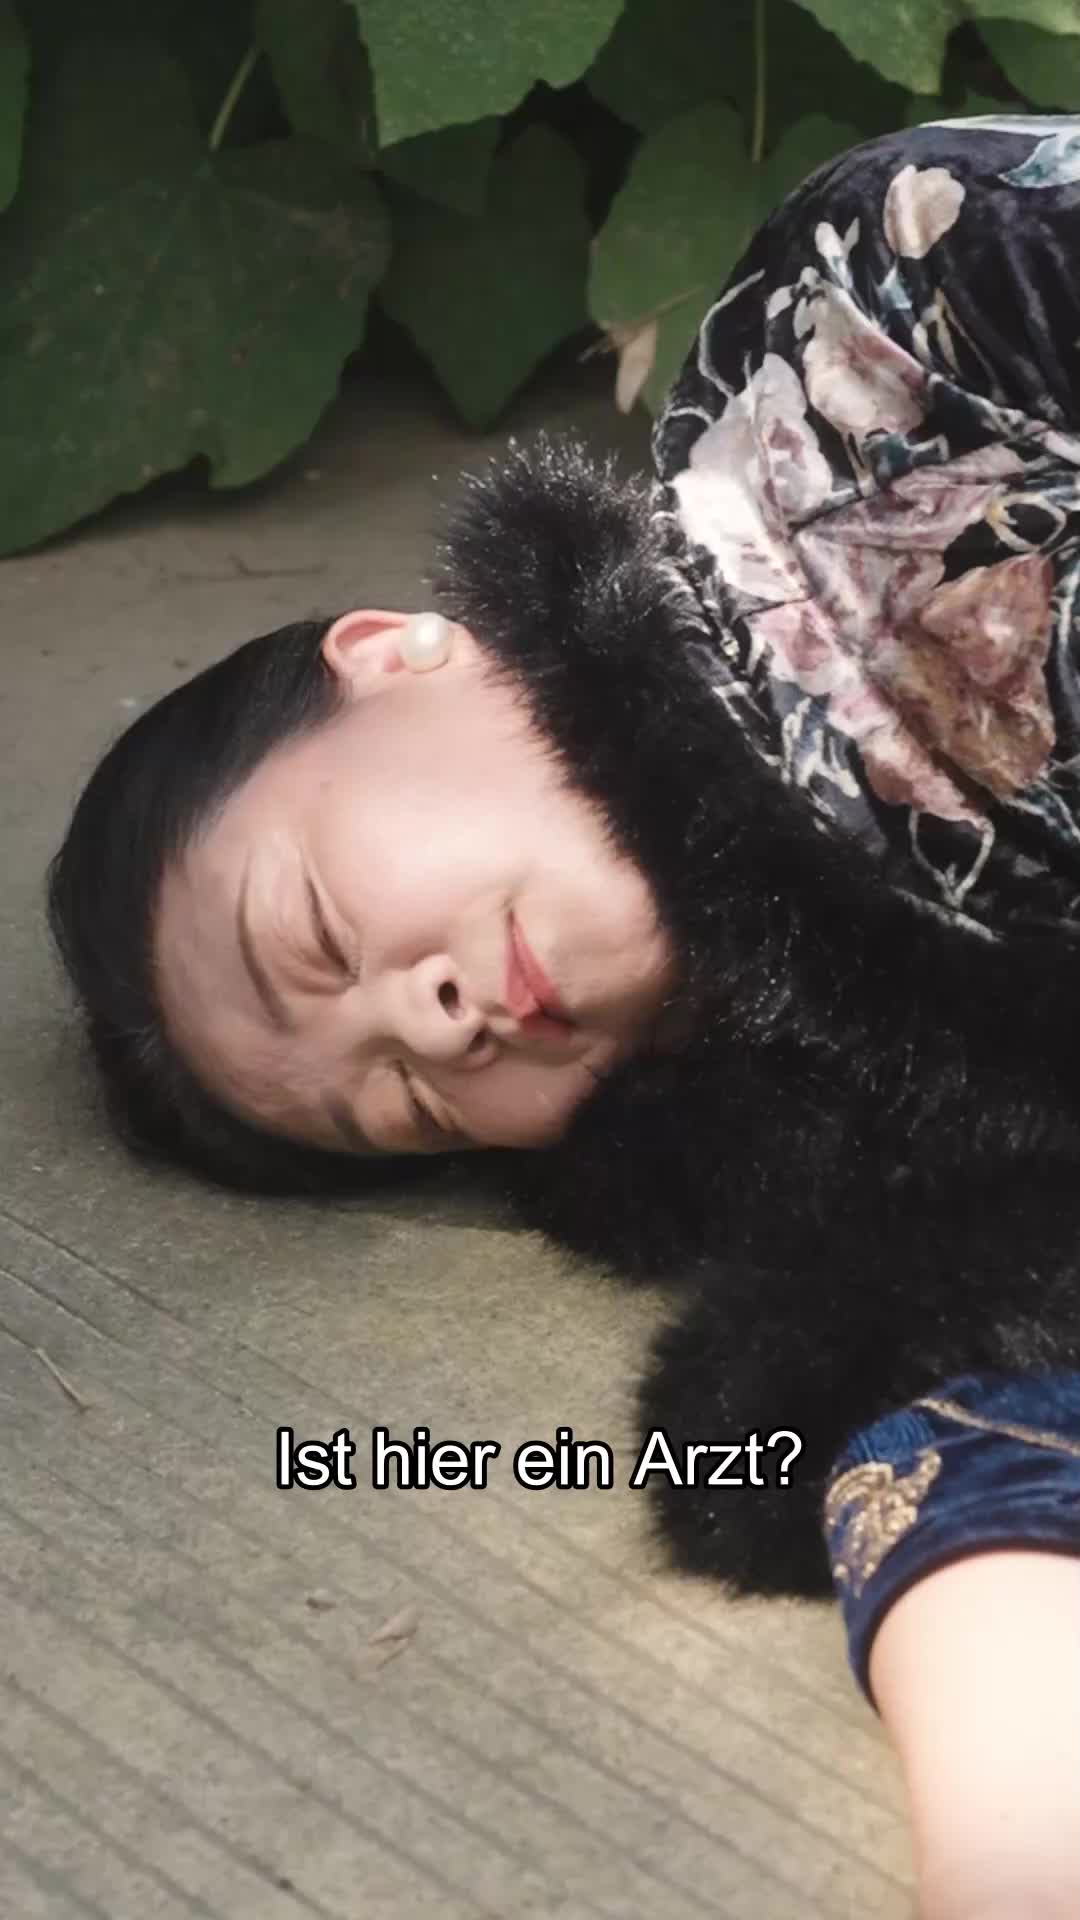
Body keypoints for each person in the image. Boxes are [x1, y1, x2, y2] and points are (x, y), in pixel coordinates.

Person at [45, 115, 1080, 1912]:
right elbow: (985, 1479)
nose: (435, 1022)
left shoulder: (868, 328)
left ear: (394, 654)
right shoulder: (897, 1203)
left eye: (321, 934)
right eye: (400, 1106)